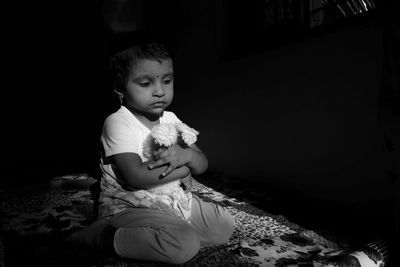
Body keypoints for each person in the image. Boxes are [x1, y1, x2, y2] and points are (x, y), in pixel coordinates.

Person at [68, 31, 234, 265]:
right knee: (182, 244)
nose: (159, 91)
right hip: (131, 204)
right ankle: (101, 235)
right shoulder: (118, 122)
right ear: (120, 89)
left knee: (223, 226)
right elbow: (136, 177)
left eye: (167, 80)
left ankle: (171, 226)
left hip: (172, 200)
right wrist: (185, 169)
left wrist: (187, 155)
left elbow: (202, 162)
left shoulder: (172, 119)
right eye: (146, 83)